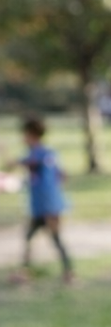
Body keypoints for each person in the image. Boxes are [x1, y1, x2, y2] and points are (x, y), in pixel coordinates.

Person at [4, 115, 75, 284]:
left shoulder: (37, 154)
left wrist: (9, 158)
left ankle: (67, 273)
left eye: (25, 135)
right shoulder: (49, 153)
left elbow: (21, 163)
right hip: (46, 204)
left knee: (53, 238)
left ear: (31, 134)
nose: (23, 139)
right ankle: (26, 272)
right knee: (31, 237)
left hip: (47, 205)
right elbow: (61, 175)